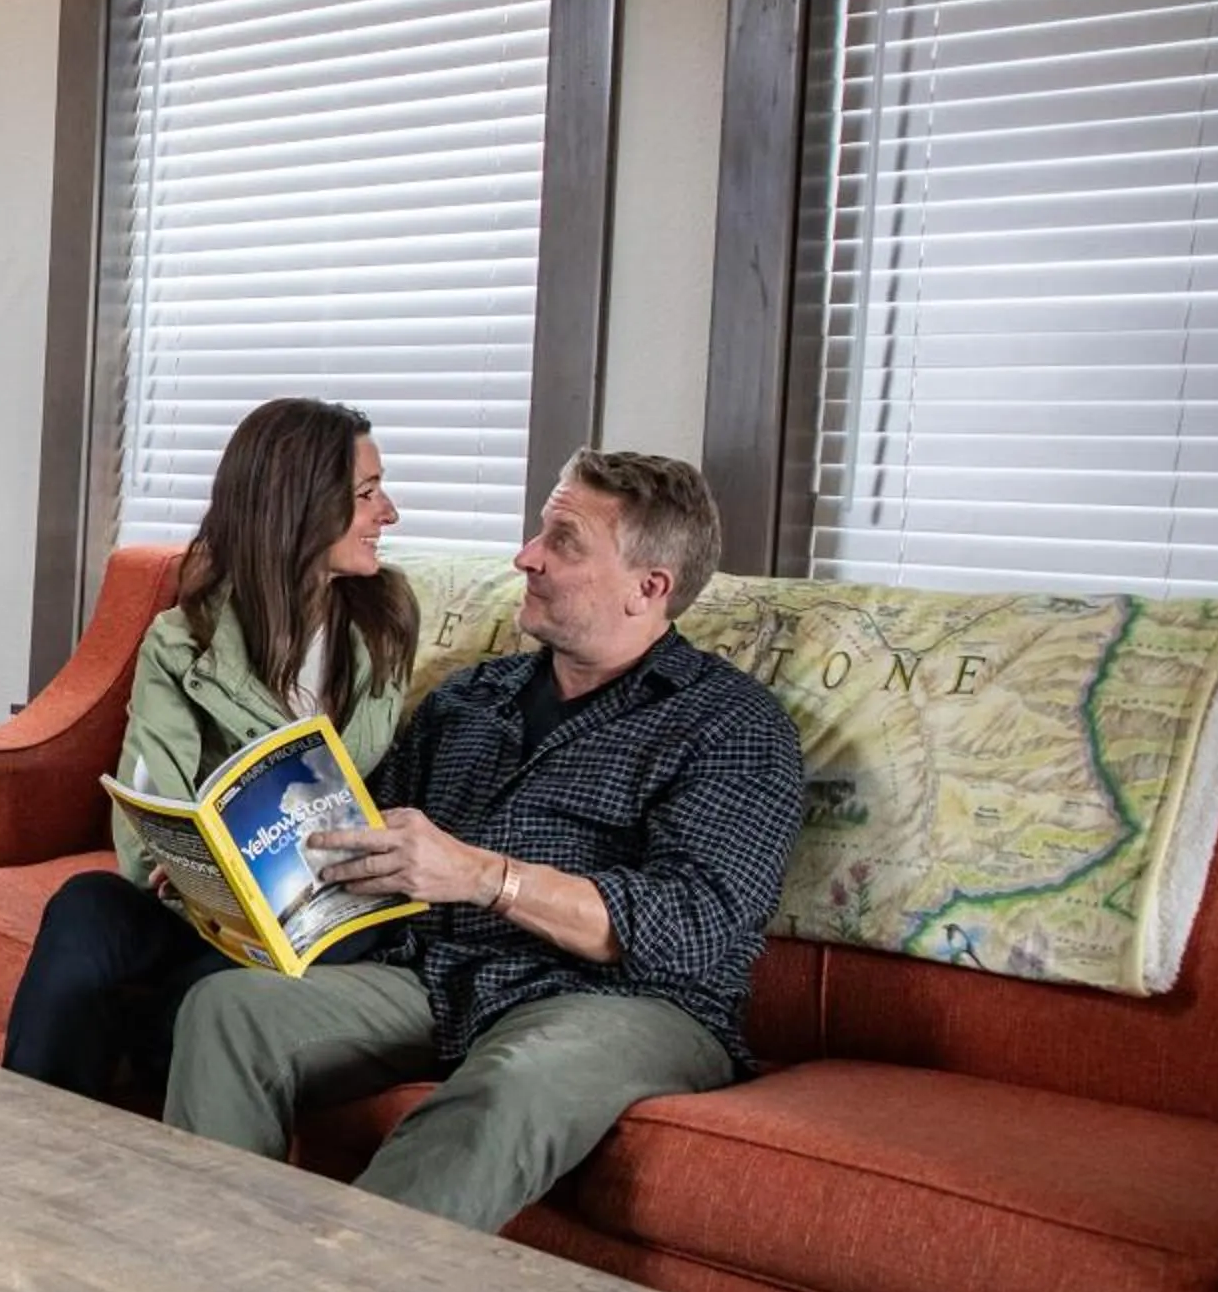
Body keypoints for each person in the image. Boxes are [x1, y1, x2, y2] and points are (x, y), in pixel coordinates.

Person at [162, 448, 805, 1232]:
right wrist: (233, 869)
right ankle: (204, 1284)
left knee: (510, 1085)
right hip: (442, 974)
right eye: (540, 531)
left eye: (563, 542)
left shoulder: (730, 724)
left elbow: (694, 927)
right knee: (230, 1013)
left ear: (650, 588)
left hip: (624, 1000)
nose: (525, 557)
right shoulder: (474, 696)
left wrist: (485, 877)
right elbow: (373, 841)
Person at [1, 398, 415, 1105]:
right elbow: (146, 797)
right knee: (86, 905)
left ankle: (145, 1069)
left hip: (322, 919)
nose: (391, 513)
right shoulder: (183, 640)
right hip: (201, 907)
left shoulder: (385, 625)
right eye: (368, 494)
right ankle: (24, 1138)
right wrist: (178, 865)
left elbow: (375, 788)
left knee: (201, 1002)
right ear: (300, 506)